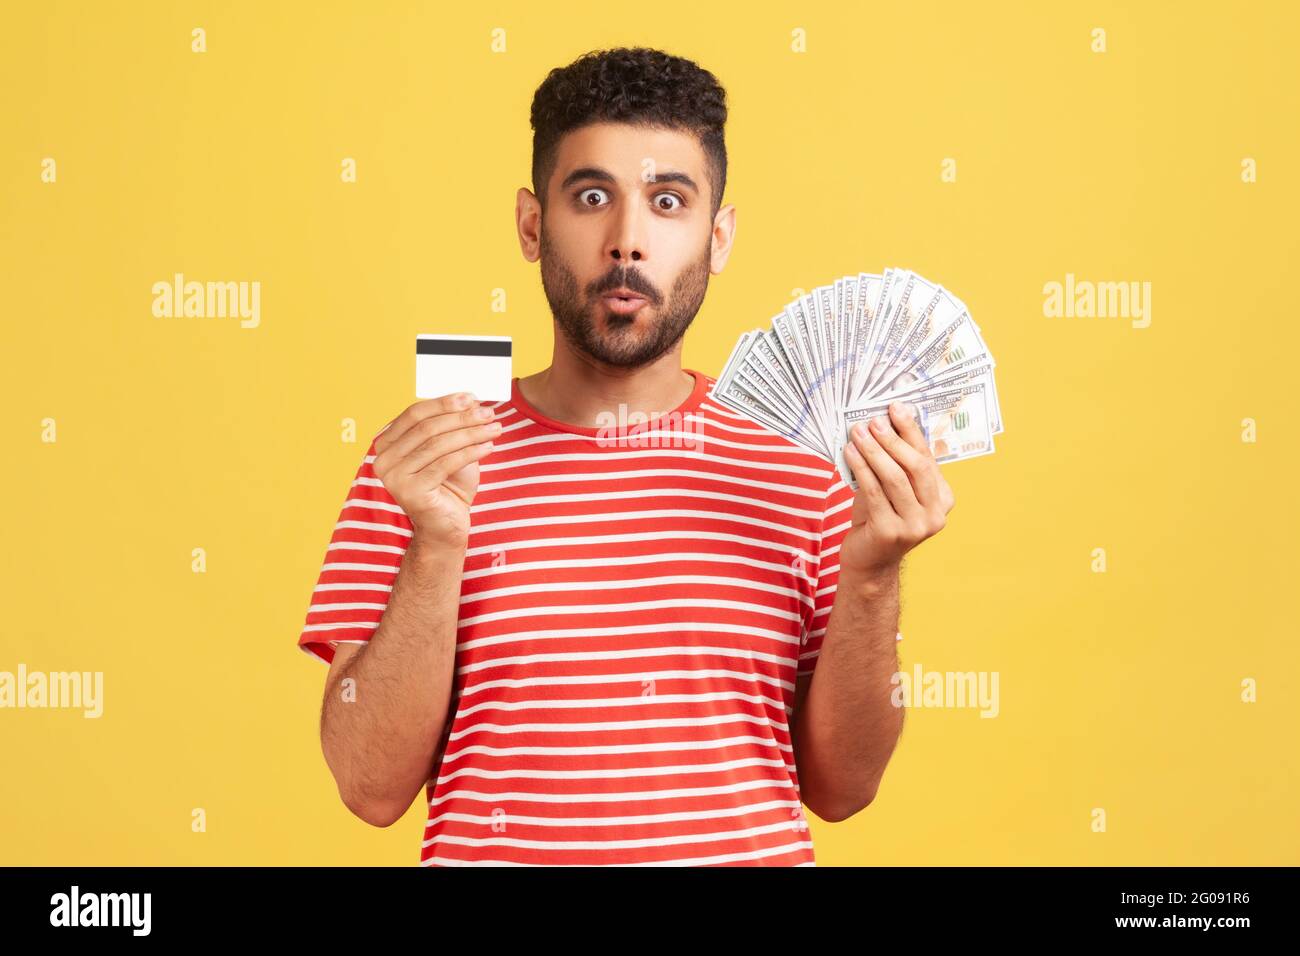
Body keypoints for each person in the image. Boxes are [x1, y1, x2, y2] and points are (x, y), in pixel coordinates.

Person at [297, 46, 954, 866]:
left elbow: (843, 790)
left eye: (668, 201)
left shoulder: (804, 463)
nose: (627, 242)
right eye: (593, 196)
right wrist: (436, 544)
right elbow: (370, 788)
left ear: (718, 238)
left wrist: (872, 576)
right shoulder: (424, 462)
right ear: (533, 225)